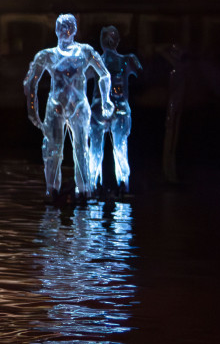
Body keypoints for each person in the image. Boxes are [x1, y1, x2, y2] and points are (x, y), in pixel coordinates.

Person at [23, 13, 113, 202]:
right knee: (53, 150)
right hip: (56, 105)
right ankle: (52, 190)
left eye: (69, 26)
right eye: (61, 26)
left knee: (81, 148)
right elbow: (31, 82)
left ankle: (84, 189)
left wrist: (106, 100)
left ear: (74, 30)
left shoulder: (85, 51)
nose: (65, 30)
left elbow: (104, 74)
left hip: (79, 105)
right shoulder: (47, 55)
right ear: (56, 30)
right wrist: (32, 110)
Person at [90, 25, 142, 194]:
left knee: (97, 149)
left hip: (101, 108)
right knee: (119, 147)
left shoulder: (95, 61)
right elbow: (141, 74)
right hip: (118, 109)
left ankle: (93, 184)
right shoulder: (126, 60)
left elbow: (79, 78)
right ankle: (122, 185)